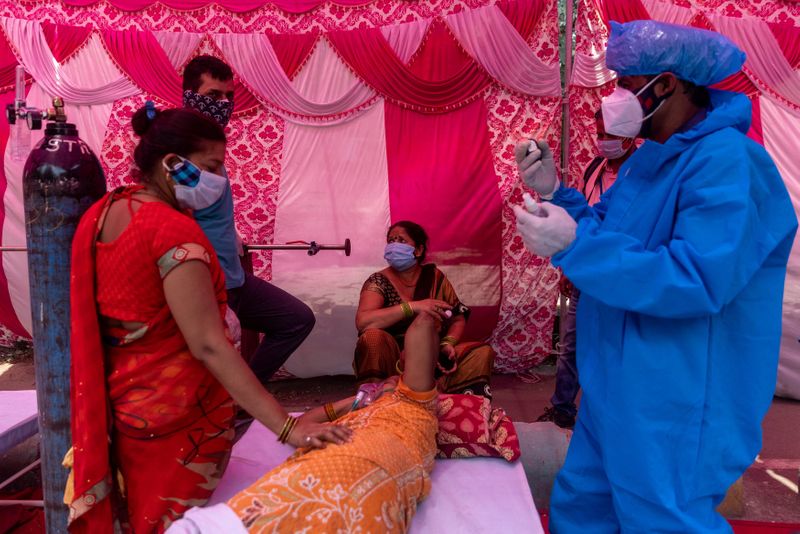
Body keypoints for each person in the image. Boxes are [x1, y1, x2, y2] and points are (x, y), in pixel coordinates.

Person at [514, 20, 797, 532]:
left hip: (675, 399)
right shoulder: (654, 161)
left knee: (661, 515)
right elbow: (611, 229)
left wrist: (576, 248)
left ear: (665, 84)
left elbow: (696, 278)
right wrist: (557, 194)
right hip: (615, 387)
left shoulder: (729, 163)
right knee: (581, 506)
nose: (615, 96)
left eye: (625, 82)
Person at [67, 104, 350, 533]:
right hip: (175, 417)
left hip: (125, 405)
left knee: (138, 512)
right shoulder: (172, 231)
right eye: (210, 166)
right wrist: (285, 426)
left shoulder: (105, 213)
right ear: (171, 164)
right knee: (170, 523)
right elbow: (207, 343)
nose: (217, 180)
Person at [166, 306, 442, 533]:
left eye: (395, 378)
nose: (384, 384)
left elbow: (422, 329)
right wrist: (356, 402)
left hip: (383, 454)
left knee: (349, 497)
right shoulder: (359, 410)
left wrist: (423, 310)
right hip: (327, 456)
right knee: (289, 487)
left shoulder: (415, 402)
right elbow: (308, 421)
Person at [182, 55, 315, 384]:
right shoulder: (179, 153)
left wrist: (232, 235)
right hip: (209, 284)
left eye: (229, 97)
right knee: (205, 366)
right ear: (190, 96)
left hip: (234, 278)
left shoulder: (211, 149)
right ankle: (234, 401)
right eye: (214, 95)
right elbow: (175, 225)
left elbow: (207, 210)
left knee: (297, 319)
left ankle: (243, 396)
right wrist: (210, 299)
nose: (224, 104)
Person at [537, 110, 636, 429]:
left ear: (630, 133)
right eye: (599, 133)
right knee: (572, 345)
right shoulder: (595, 168)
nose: (602, 141)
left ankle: (606, 418)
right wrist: (570, 266)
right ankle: (563, 408)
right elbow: (584, 221)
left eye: (609, 134)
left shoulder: (641, 173)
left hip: (621, 274)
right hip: (588, 273)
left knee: (614, 348)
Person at [354, 220, 495, 398]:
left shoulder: (434, 277)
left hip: (431, 358)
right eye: (391, 240)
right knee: (372, 338)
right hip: (393, 360)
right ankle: (377, 401)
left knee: (481, 353)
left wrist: (447, 344)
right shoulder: (378, 280)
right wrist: (412, 307)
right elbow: (363, 322)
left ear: (419, 250)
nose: (394, 245)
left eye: (401, 241)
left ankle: (451, 404)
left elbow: (457, 315)